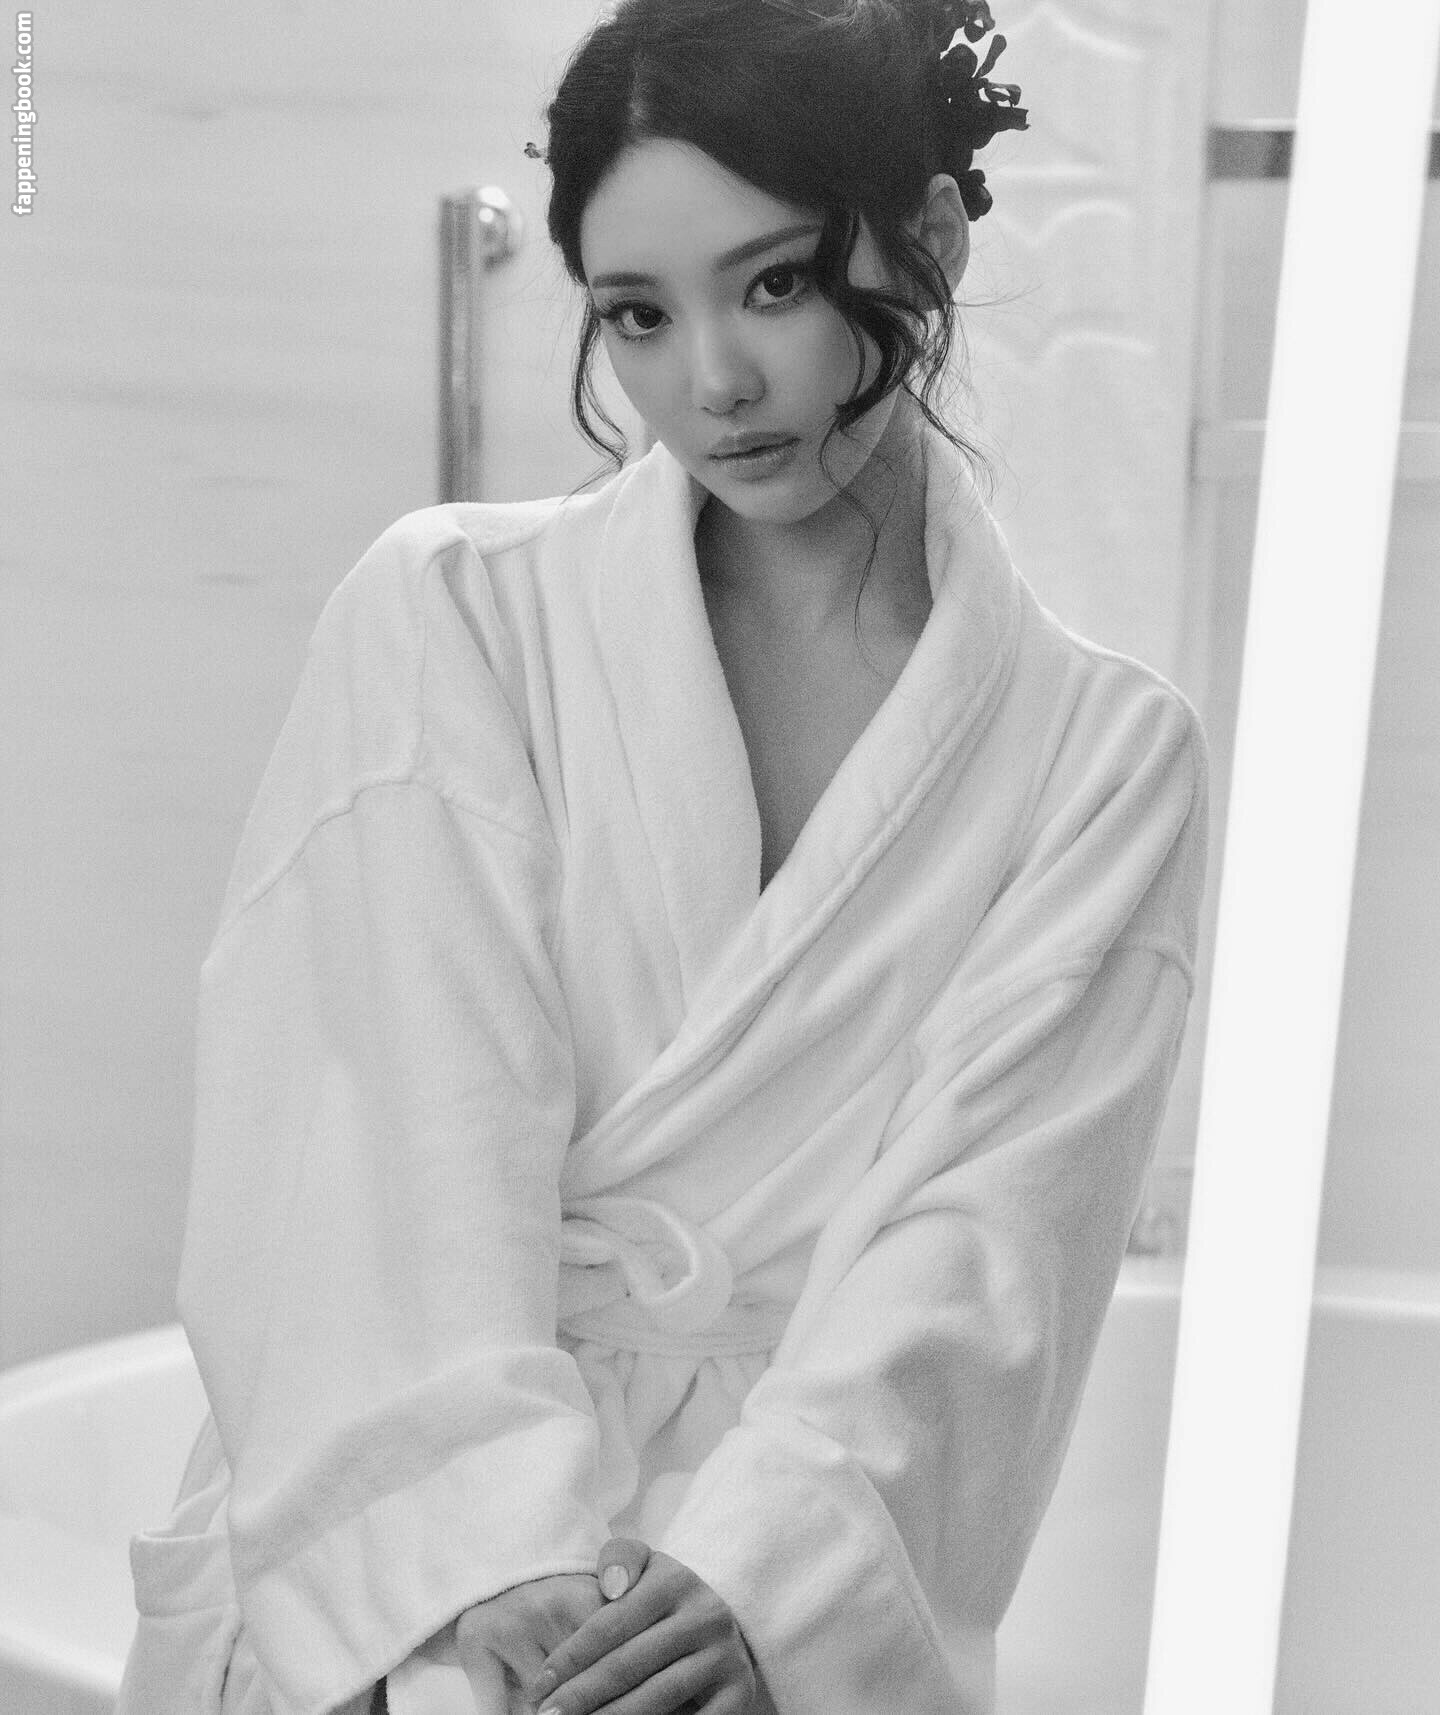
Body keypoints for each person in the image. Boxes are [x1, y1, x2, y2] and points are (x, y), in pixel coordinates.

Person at [116, 1, 1208, 1712]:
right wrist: (484, 1543)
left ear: (928, 237)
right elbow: (374, 1127)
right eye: (638, 313)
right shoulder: (454, 614)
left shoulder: (1104, 757)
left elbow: (992, 1244)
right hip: (421, 1549)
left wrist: (770, 1580)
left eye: (775, 283)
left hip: (779, 1578)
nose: (711, 381)